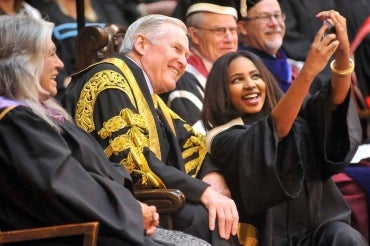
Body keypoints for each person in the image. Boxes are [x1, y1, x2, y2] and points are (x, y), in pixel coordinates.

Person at [0, 12, 215, 246]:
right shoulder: (15, 120)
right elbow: (65, 184)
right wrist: (130, 210)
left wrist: (212, 176)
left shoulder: (38, 115)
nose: (61, 64)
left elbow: (92, 173)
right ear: (22, 60)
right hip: (75, 232)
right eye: (51, 53)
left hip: (104, 219)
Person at [63, 14, 240, 246]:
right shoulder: (108, 79)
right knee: (207, 217)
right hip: (114, 208)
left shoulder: (148, 95)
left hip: (148, 201)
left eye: (187, 55)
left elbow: (189, 141)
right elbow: (134, 164)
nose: (184, 62)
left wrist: (211, 175)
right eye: (176, 49)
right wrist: (205, 192)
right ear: (141, 44)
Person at [201, 9, 368, 246]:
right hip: (269, 238)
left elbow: (333, 103)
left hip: (322, 231)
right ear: (221, 91)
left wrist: (342, 54)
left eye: (255, 76)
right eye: (237, 80)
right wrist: (309, 71)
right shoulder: (223, 139)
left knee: (345, 237)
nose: (250, 85)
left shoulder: (297, 117)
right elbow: (274, 131)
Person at [162, 0, 241, 134]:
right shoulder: (182, 78)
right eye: (219, 31)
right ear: (194, 35)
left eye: (233, 30)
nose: (230, 39)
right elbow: (198, 141)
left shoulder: (238, 74)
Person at [236, 0, 325, 93]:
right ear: (243, 27)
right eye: (264, 17)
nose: (274, 23)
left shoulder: (294, 68)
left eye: (277, 15)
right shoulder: (241, 70)